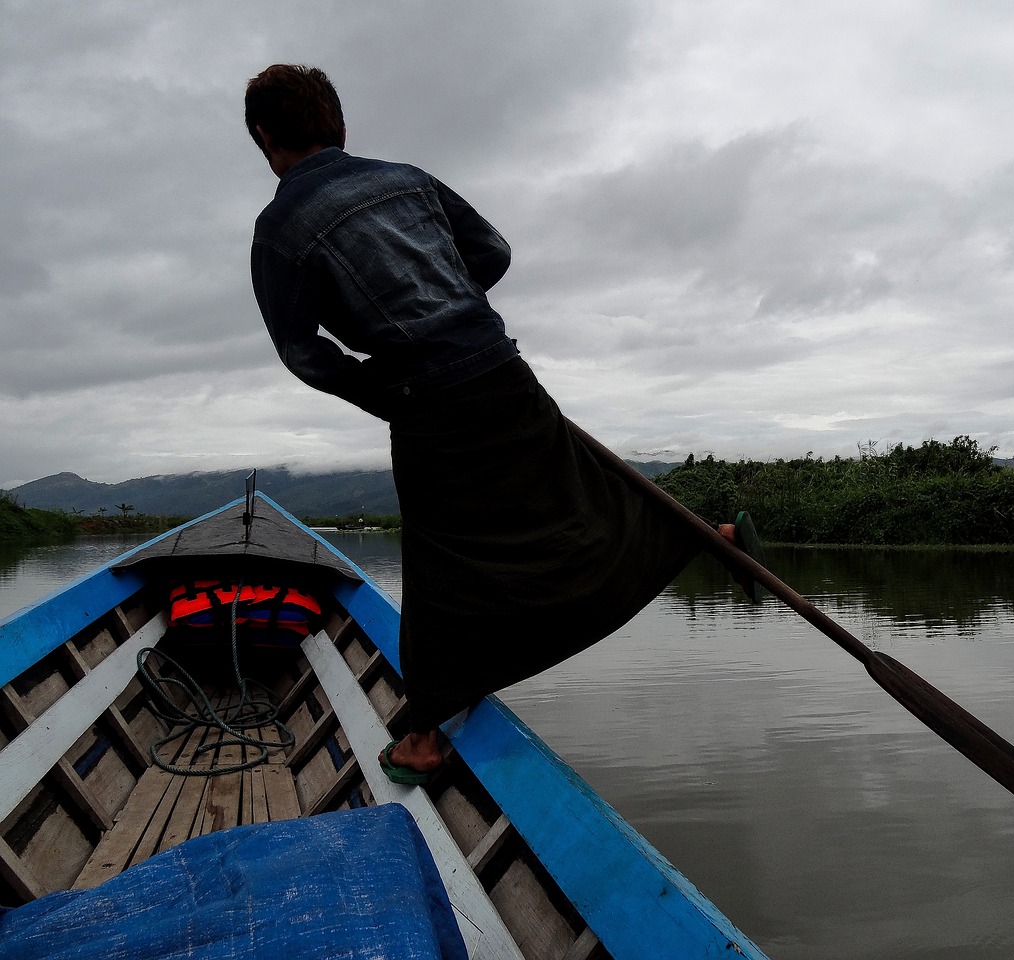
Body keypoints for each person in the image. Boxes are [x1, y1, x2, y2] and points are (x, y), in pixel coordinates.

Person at [244, 64, 762, 782]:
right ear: (337, 123)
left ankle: (423, 739)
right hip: (501, 367)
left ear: (265, 136)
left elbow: (304, 354)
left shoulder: (278, 230)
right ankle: (715, 538)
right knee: (578, 507)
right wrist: (449, 300)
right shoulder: (407, 178)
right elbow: (492, 253)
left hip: (428, 398)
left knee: (441, 566)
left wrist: (386, 386)